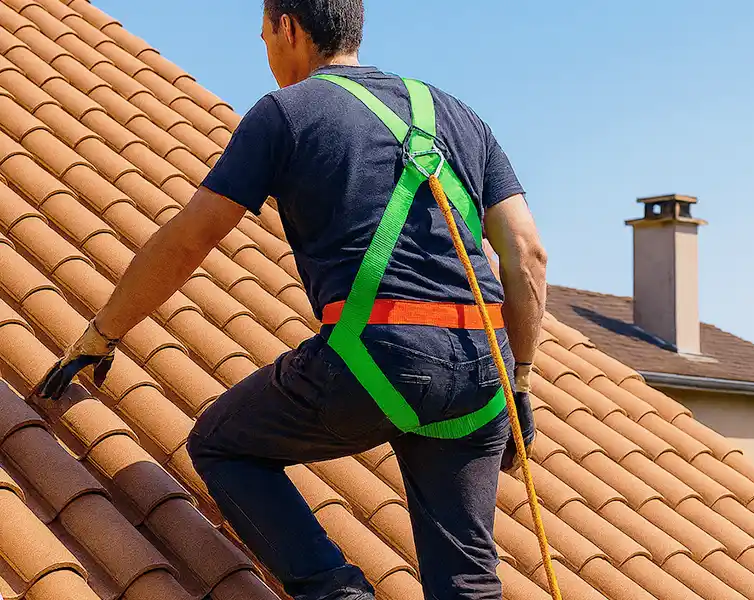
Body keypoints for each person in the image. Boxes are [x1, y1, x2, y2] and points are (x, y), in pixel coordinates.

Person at [33, 1, 548, 599]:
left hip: (375, 358)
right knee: (466, 582)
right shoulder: (461, 118)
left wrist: (105, 330)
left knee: (221, 444)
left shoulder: (286, 113)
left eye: (264, 38)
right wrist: (520, 383)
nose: (268, 55)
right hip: (481, 373)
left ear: (288, 28)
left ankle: (334, 592)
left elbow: (191, 235)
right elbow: (528, 256)